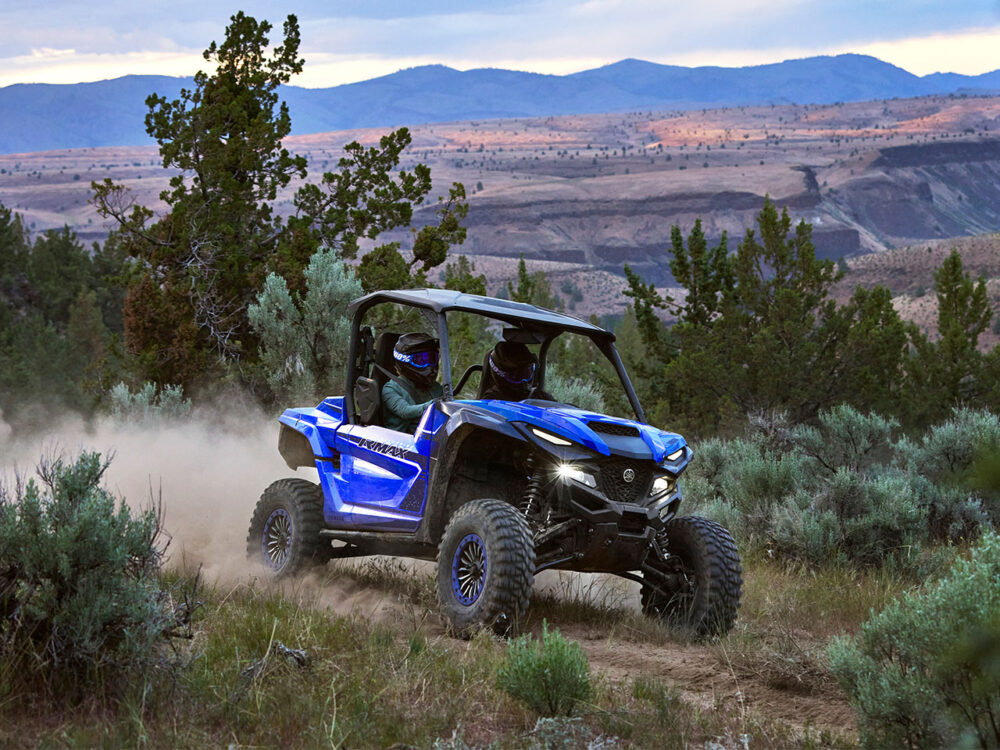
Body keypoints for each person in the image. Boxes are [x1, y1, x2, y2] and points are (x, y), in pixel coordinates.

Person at [382, 332, 443, 432]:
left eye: (432, 359)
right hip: (399, 441)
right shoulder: (390, 389)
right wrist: (436, 404)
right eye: (421, 360)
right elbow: (406, 411)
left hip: (429, 438)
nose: (429, 365)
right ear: (405, 361)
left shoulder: (435, 387)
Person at [480, 340, 551, 401]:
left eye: (527, 373)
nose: (523, 381)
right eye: (516, 376)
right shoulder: (492, 399)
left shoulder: (538, 396)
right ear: (500, 375)